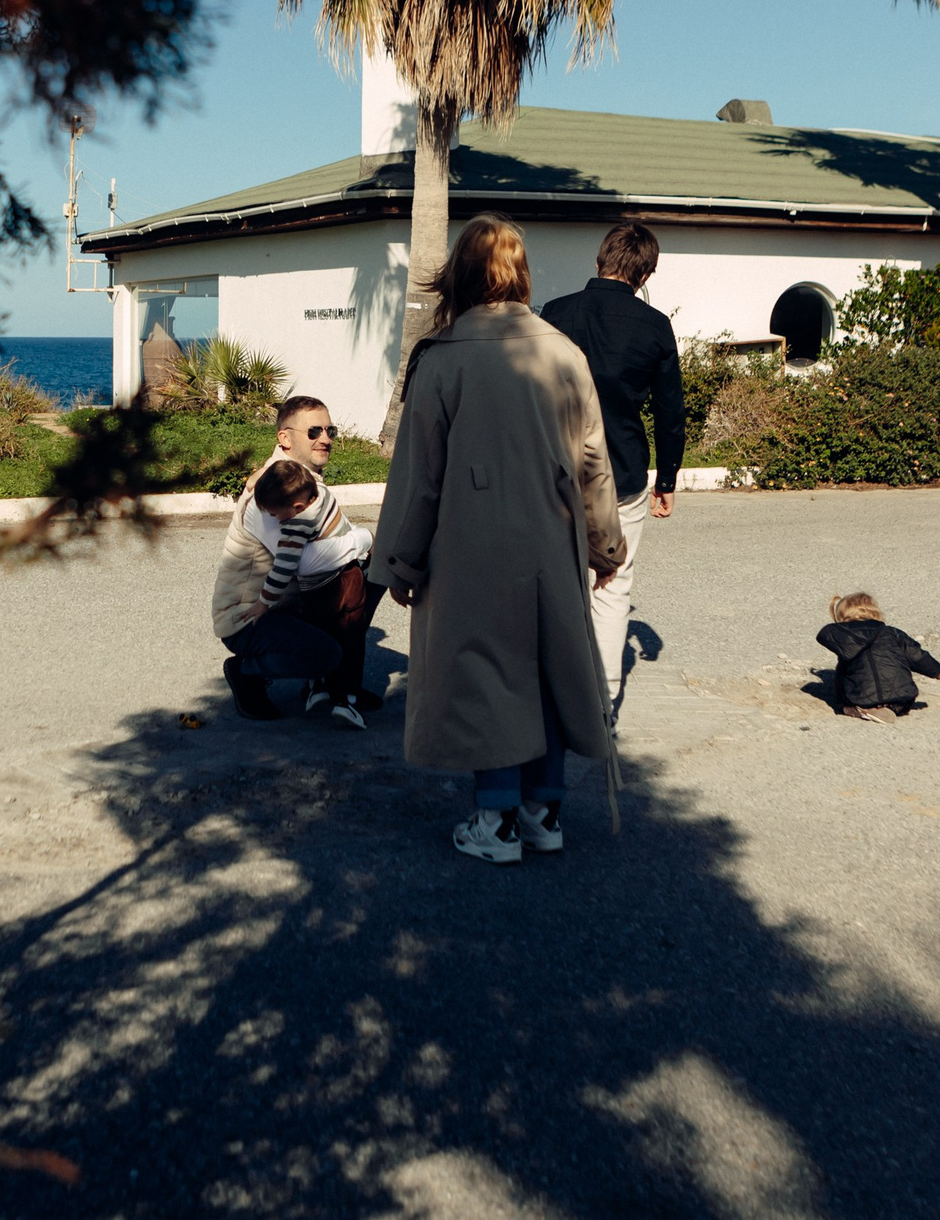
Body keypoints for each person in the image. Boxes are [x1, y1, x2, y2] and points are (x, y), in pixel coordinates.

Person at [370, 214, 626, 865]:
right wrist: (605, 549)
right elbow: (594, 462)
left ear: (459, 273)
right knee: (547, 666)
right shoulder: (564, 352)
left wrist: (400, 561)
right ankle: (545, 810)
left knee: (488, 673)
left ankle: (497, 821)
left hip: (469, 543)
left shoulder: (443, 357)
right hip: (555, 533)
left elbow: (418, 475)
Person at [541, 222, 685, 726]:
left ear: (599, 261)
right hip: (622, 472)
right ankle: (599, 705)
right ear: (645, 273)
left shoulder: (555, 314)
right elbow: (670, 413)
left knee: (557, 584)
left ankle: (552, 693)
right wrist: (667, 480)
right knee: (612, 586)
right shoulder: (654, 326)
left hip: (553, 469)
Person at [212, 454, 380, 727]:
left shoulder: (304, 489)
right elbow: (298, 564)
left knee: (374, 579)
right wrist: (364, 538)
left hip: (299, 602)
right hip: (248, 617)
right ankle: (246, 671)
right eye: (313, 432)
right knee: (325, 652)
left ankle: (341, 683)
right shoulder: (271, 502)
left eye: (328, 430)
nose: (324, 439)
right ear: (286, 438)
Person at [816, 592, 940, 723]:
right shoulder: (892, 632)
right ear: (875, 612)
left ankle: (862, 709)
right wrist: (937, 670)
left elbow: (824, 633)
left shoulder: (846, 640)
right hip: (902, 699)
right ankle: (887, 709)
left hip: (862, 699)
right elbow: (916, 656)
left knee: (844, 669)